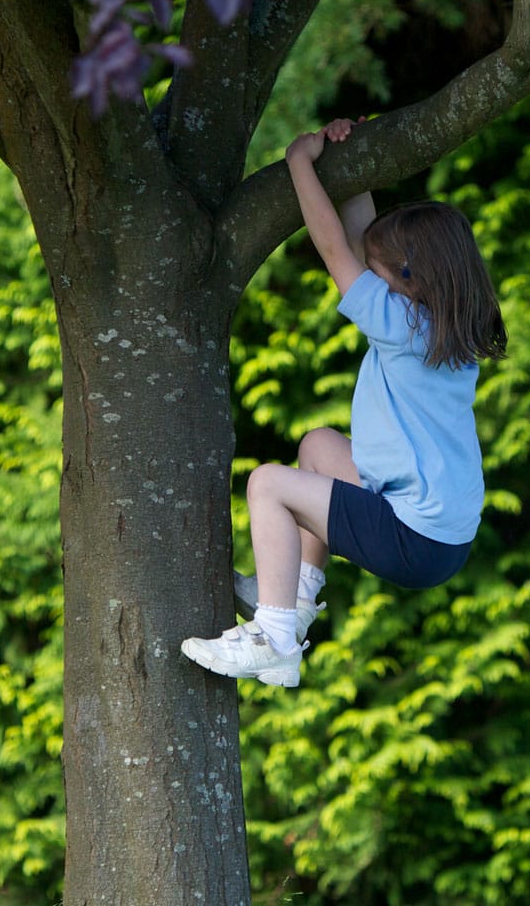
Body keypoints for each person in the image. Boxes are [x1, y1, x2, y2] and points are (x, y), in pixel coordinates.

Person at [181, 117, 508, 688]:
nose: (366, 273)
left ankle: (276, 638)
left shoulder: (404, 328)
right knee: (319, 447)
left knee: (268, 483)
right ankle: (296, 596)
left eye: (378, 269)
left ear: (408, 278)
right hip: (442, 536)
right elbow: (363, 244)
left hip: (416, 538)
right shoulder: (444, 326)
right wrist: (350, 168)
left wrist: (301, 163)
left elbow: (337, 248)